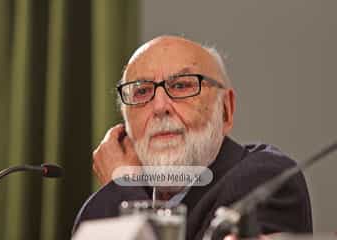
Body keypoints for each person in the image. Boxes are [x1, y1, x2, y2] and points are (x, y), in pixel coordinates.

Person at [72, 36, 313, 239]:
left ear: (226, 110)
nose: (159, 106)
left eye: (181, 86)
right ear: (125, 125)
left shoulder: (266, 181)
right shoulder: (101, 206)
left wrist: (124, 187)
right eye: (142, 91)